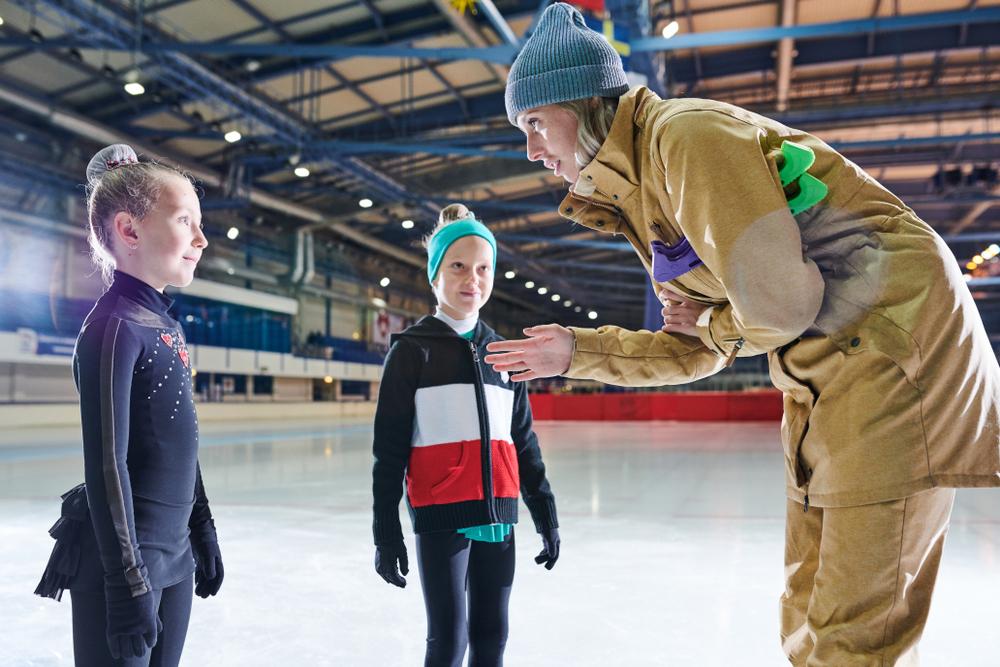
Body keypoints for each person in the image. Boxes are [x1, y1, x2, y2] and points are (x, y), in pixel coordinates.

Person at [484, 4, 1000, 665]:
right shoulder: (644, 195)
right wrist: (578, 349)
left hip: (895, 360)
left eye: (533, 123)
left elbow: (780, 304)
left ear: (580, 102)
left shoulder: (685, 138)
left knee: (857, 633)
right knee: (805, 610)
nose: (529, 150)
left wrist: (712, 320)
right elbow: (700, 346)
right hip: (823, 383)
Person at [371, 204, 560, 667]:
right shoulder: (412, 352)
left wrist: (545, 512)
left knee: (492, 636)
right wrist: (386, 531)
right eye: (457, 266)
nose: (471, 279)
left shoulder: (504, 355)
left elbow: (524, 443)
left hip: (499, 513)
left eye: (482, 268)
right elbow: (388, 453)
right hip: (442, 517)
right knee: (449, 640)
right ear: (435, 274)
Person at [59, 144, 223, 665]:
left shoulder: (165, 324)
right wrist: (126, 580)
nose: (201, 239)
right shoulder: (113, 328)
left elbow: (179, 438)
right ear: (129, 231)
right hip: (124, 562)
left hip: (173, 555)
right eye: (184, 220)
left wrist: (201, 524)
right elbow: (107, 465)